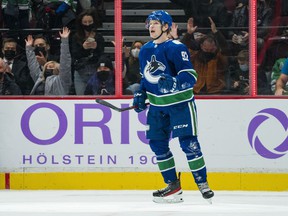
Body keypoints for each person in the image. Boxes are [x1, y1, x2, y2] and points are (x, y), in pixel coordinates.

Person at [132, 10, 214, 203]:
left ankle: (202, 183)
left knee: (189, 144)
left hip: (180, 106)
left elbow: (190, 76)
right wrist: (140, 93)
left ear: (166, 26)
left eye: (155, 23)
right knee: (157, 145)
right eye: (149, 23)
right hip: (157, 108)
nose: (151, 26)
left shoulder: (177, 48)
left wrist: (176, 82)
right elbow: (146, 78)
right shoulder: (145, 50)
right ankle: (173, 186)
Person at [182, 17, 229, 94]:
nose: (209, 52)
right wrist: (189, 34)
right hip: (196, 89)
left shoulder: (218, 57)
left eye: (211, 50)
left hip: (215, 90)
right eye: (206, 50)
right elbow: (182, 50)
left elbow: (225, 49)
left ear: (215, 47)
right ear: (201, 46)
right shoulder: (195, 56)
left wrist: (216, 32)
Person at [25, 27, 72, 95]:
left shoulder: (63, 79)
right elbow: (32, 66)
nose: (48, 68)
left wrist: (64, 41)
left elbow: (65, 62)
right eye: (46, 67)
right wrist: (29, 48)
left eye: (51, 67)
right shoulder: (40, 78)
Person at [71, 8, 105, 95]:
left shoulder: (99, 37)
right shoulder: (76, 37)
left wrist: (96, 48)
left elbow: (101, 55)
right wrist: (83, 48)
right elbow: (74, 54)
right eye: (85, 22)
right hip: (80, 71)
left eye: (90, 22)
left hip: (94, 70)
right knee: (81, 96)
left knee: (95, 95)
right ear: (81, 23)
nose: (87, 24)